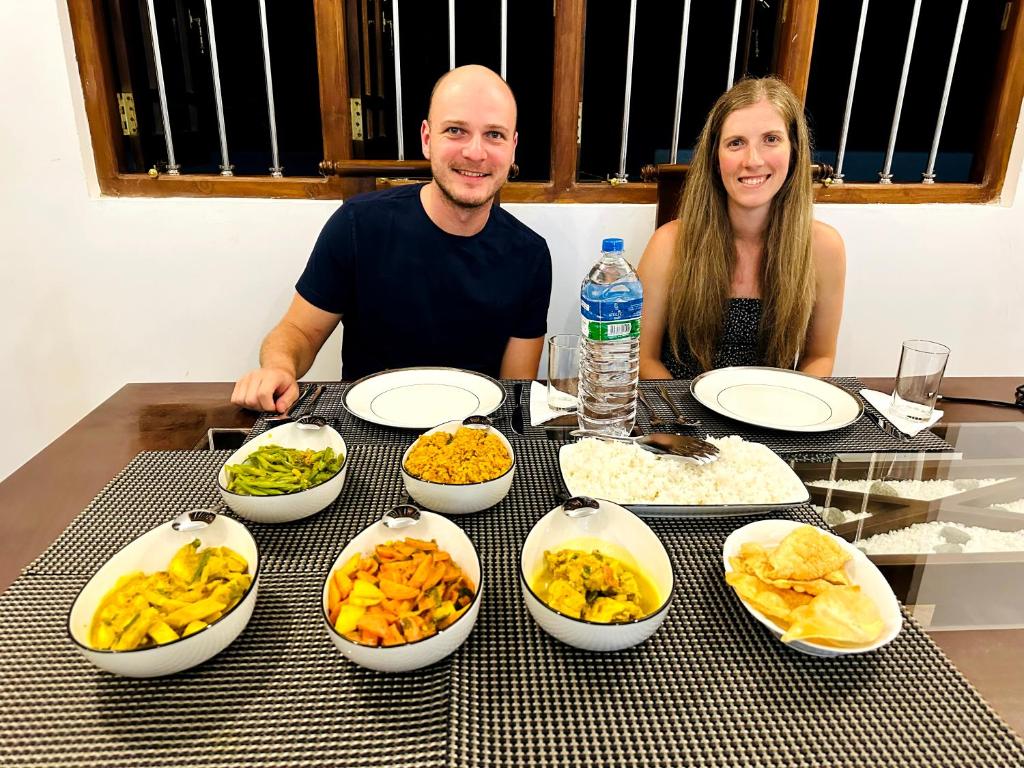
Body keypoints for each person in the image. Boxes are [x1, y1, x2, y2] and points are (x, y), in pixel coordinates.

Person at [232, 64, 552, 413]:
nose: (475, 152)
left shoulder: (530, 255)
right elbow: (298, 331)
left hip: (473, 439)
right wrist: (278, 368)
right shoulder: (357, 225)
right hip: (367, 433)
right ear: (428, 139)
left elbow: (515, 392)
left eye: (495, 135)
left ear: (513, 148)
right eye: (456, 130)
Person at [637, 77, 845, 380]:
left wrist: (797, 413)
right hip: (681, 414)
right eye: (736, 143)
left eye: (771, 139)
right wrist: (682, 420)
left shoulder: (825, 247)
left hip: (772, 416)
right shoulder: (668, 244)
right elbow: (643, 357)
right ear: (714, 158)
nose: (753, 160)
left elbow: (820, 356)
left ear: (794, 151)